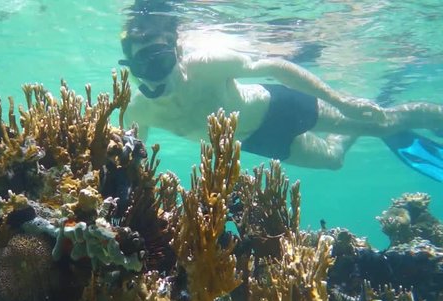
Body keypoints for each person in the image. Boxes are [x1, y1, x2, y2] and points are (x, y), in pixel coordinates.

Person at [118, 1, 443, 181]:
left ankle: (434, 116)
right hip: (258, 141)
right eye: (139, 68)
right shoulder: (138, 111)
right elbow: (134, 158)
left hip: (280, 106)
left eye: (159, 61)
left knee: (382, 124)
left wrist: (341, 102)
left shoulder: (206, 65)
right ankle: (354, 129)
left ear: (176, 50)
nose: (151, 78)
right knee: (334, 161)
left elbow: (274, 66)